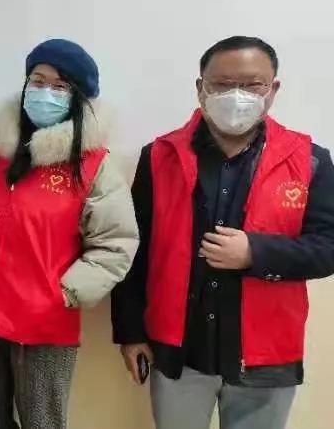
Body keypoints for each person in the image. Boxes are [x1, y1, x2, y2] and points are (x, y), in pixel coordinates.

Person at [111, 36, 334, 429]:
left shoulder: (310, 160)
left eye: (252, 85)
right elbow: (133, 249)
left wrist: (255, 253)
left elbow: (328, 247)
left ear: (273, 89)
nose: (236, 95)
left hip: (266, 355)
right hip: (179, 351)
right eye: (222, 84)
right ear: (201, 88)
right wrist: (130, 333)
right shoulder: (160, 156)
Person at [0, 39, 139, 429]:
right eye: (38, 80)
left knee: (42, 423)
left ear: (77, 99)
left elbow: (117, 243)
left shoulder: (91, 164)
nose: (45, 92)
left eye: (60, 86)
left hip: (45, 325)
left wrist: (64, 293)